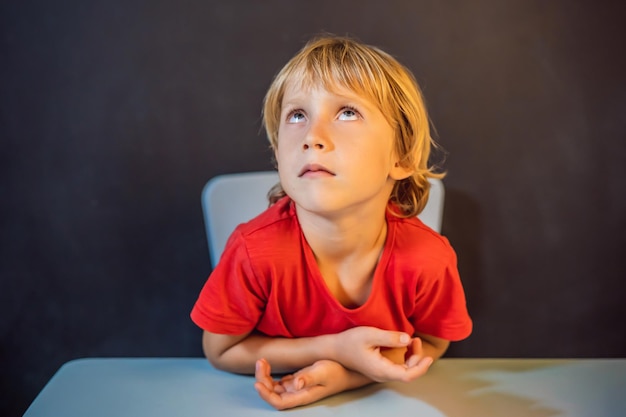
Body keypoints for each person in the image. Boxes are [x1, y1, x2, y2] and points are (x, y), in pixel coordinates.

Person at [191, 34, 472, 410]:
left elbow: (434, 342)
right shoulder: (254, 251)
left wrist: (346, 376)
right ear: (278, 155)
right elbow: (220, 349)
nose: (312, 136)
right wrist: (335, 349)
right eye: (297, 115)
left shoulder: (429, 259)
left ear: (401, 157)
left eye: (347, 112)